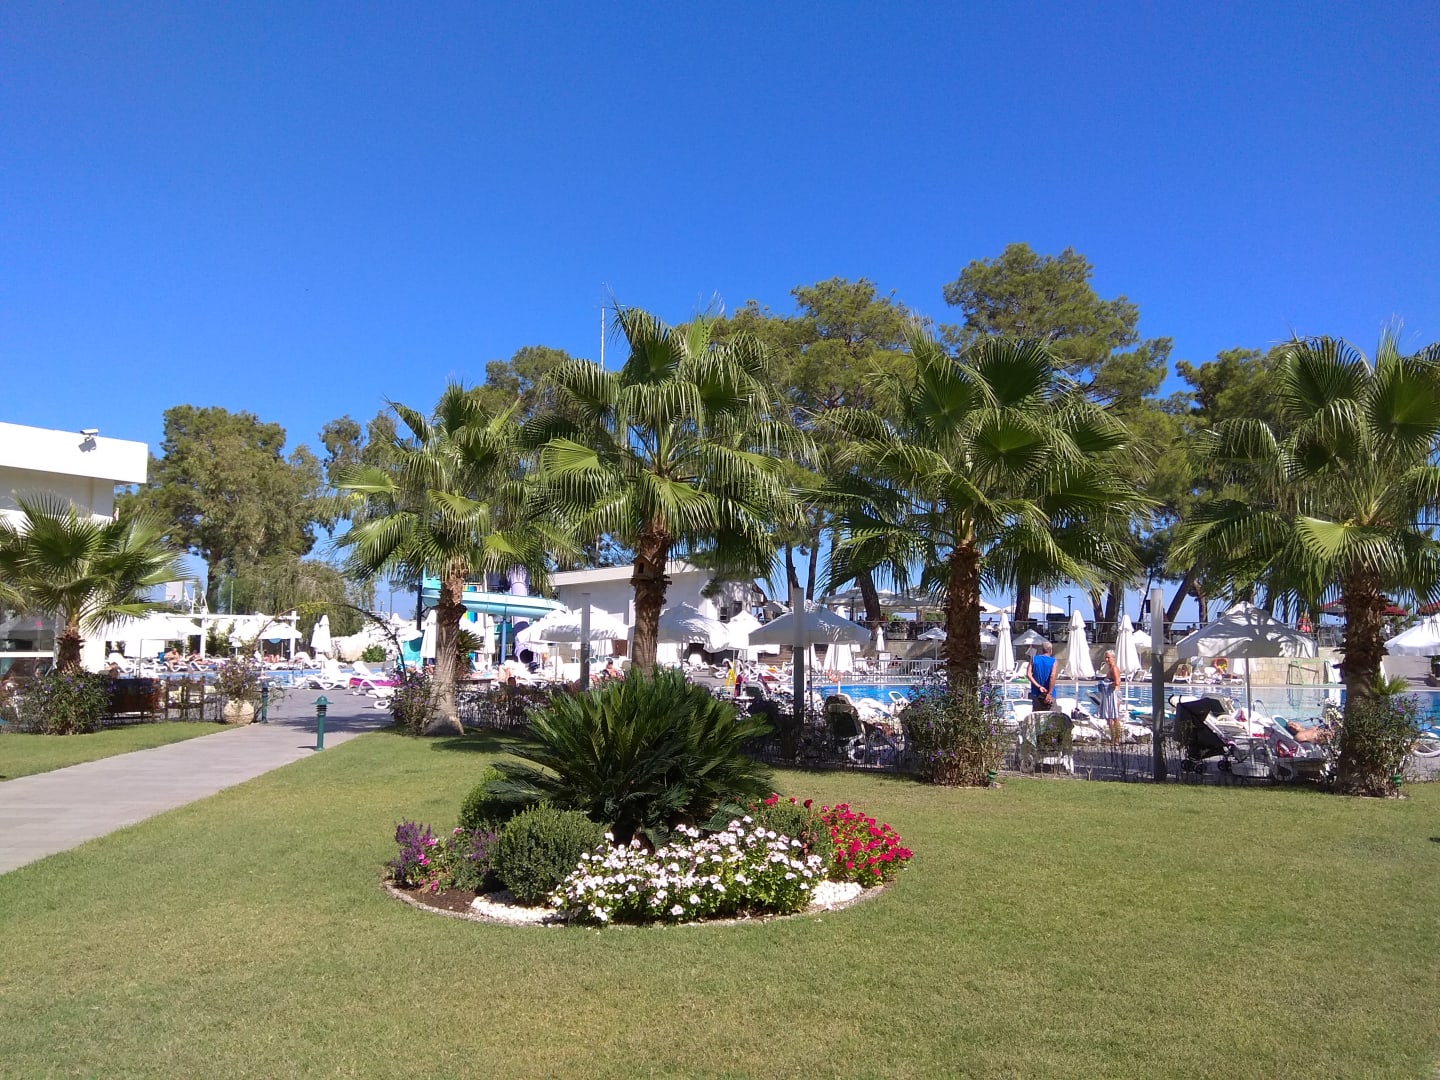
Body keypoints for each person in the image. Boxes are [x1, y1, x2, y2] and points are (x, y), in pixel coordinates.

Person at [1097, 648, 1122, 741]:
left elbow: (1117, 682)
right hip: (1110, 695)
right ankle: (1113, 738)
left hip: (1115, 695)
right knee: (1109, 718)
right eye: (1105, 658)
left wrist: (1106, 684)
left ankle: (1117, 739)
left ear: (1113, 658)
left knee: (1115, 717)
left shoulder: (1114, 668)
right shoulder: (1110, 668)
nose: (1106, 659)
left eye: (1108, 657)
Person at [1028, 641, 1058, 712]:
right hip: (1049, 694)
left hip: (1036, 693)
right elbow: (1052, 677)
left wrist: (1039, 686)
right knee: (1051, 716)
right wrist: (1049, 693)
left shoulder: (1034, 659)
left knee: (1037, 716)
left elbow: (1028, 674)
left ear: (1042, 650)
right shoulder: (1053, 661)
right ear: (1051, 650)